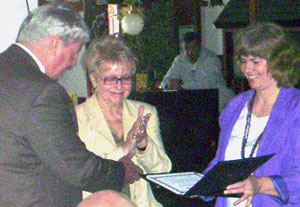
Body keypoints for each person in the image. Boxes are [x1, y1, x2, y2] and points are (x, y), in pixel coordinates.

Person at [0, 2, 142, 207]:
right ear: (56, 43)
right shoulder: (43, 92)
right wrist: (121, 172)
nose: (73, 62)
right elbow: (76, 166)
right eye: (74, 52)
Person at [203, 22, 300, 207]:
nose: (247, 69)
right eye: (243, 60)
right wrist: (201, 186)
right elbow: (221, 161)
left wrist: (260, 184)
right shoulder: (235, 106)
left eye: (255, 61)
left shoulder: (296, 109)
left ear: (279, 61)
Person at [76, 36, 172, 207]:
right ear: (93, 79)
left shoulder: (145, 112)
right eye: (111, 79)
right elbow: (85, 173)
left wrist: (143, 144)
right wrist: (125, 147)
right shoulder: (76, 116)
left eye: (126, 78)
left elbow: (162, 170)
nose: (119, 86)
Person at [160, 32, 234, 110]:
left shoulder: (212, 59)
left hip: (215, 101)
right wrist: (169, 84)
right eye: (186, 49)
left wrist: (182, 87)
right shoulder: (179, 60)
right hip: (191, 102)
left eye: (193, 48)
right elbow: (165, 81)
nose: (190, 52)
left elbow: (208, 85)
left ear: (199, 46)